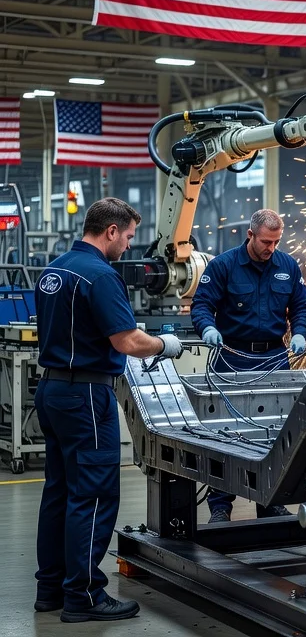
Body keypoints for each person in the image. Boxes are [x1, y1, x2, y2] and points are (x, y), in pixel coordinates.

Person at [34, 198, 184, 623]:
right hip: (85, 398)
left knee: (59, 493)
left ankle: (51, 590)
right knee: (94, 496)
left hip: (51, 391)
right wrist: (165, 345)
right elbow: (128, 342)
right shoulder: (100, 275)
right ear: (111, 231)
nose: (129, 245)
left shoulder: (54, 269)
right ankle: (84, 598)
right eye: (130, 236)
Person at [191, 209, 306, 522]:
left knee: (276, 433)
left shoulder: (287, 266)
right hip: (232, 356)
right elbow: (202, 304)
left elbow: (301, 306)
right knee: (227, 434)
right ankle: (220, 507)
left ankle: (270, 502)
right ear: (250, 235)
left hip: (273, 358)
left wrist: (300, 333)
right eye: (265, 241)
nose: (270, 247)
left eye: (276, 242)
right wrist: (207, 329)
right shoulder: (223, 266)